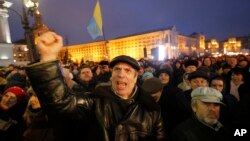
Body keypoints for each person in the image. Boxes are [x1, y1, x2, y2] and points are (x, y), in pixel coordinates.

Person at [25, 31, 166, 141]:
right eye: (117, 69)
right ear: (111, 76)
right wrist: (48, 57)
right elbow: (61, 102)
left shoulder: (151, 110)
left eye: (128, 70)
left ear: (136, 78)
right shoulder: (94, 101)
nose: (121, 74)